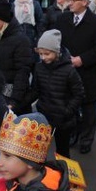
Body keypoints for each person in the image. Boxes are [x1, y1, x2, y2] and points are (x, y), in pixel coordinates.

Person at [54, 0, 96, 155]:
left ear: (84, 2)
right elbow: (57, 41)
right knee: (70, 107)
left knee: (88, 108)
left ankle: (86, 139)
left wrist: (81, 60)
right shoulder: (63, 19)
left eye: (73, 0)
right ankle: (73, 134)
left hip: (87, 73)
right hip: (66, 73)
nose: (69, 3)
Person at [33, 29, 85, 157]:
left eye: (47, 54)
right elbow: (35, 91)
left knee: (63, 152)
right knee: (39, 151)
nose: (43, 57)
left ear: (56, 52)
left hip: (63, 120)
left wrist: (67, 111)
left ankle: (64, 174)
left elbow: (79, 94)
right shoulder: (39, 68)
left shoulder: (69, 70)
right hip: (45, 117)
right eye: (40, 54)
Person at [0, 0, 35, 114]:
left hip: (12, 101)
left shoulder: (21, 40)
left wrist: (14, 102)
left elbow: (22, 73)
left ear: (4, 19)